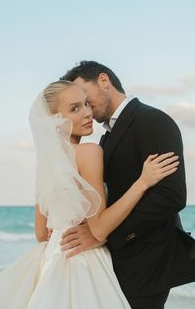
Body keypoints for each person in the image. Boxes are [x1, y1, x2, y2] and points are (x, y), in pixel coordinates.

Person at [0, 80, 179, 309]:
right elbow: (99, 228)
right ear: (54, 121)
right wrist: (142, 182)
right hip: (84, 261)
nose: (87, 113)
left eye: (85, 104)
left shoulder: (48, 162)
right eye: (75, 109)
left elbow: (41, 233)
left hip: (53, 259)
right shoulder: (89, 151)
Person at [60, 61, 195, 309]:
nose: (86, 110)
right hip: (117, 262)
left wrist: (105, 235)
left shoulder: (152, 120)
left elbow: (172, 195)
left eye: (86, 100)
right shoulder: (107, 136)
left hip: (147, 263)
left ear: (103, 80)